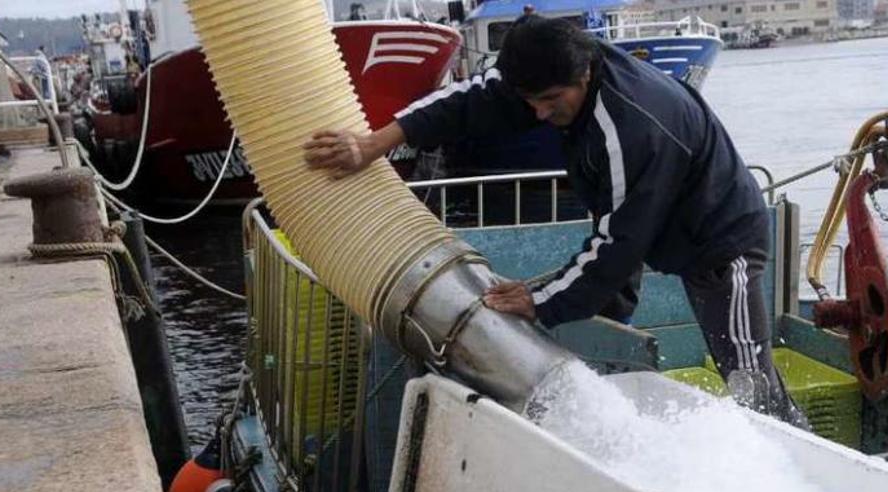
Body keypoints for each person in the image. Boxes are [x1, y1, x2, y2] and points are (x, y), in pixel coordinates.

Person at [302, 16, 809, 429]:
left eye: (551, 101)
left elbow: (619, 243)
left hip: (721, 236)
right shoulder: (550, 71)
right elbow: (467, 101)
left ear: (584, 75)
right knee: (605, 307)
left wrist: (539, 300)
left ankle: (794, 456)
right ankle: (607, 411)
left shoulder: (632, 125)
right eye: (531, 102)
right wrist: (373, 144)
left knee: (747, 376)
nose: (540, 114)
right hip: (643, 217)